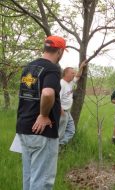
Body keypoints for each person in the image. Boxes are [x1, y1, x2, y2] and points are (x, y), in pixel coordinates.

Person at [16, 35, 67, 190]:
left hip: (24, 129)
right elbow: (47, 93)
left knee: (30, 178)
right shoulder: (52, 68)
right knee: (42, 182)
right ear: (59, 51)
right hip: (42, 132)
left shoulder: (28, 67)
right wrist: (44, 115)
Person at [58, 60, 88, 145]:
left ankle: (59, 144)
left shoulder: (70, 82)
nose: (74, 74)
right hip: (62, 112)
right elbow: (57, 99)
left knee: (71, 130)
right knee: (60, 133)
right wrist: (61, 112)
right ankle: (55, 148)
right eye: (72, 73)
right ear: (66, 73)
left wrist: (81, 67)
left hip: (67, 112)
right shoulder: (61, 84)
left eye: (74, 73)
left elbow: (78, 76)